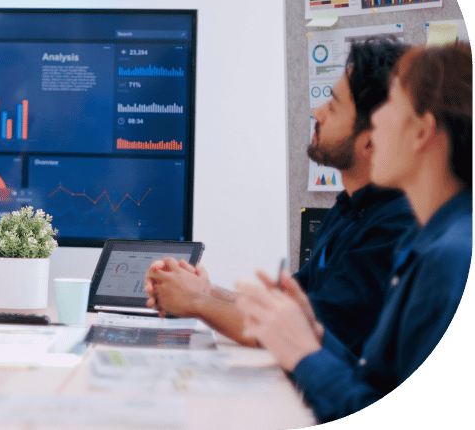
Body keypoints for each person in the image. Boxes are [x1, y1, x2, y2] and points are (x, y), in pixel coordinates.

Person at [236, 41, 472, 423]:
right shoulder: (424, 241)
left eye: (391, 105)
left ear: (422, 132)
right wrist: (315, 336)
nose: (376, 123)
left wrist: (305, 355)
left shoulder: (452, 260)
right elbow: (378, 384)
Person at [143, 39, 416, 355]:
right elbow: (288, 305)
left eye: (334, 105)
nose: (317, 112)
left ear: (373, 139)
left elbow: (297, 331)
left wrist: (198, 302)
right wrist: (203, 291)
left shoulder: (396, 228)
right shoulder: (350, 208)